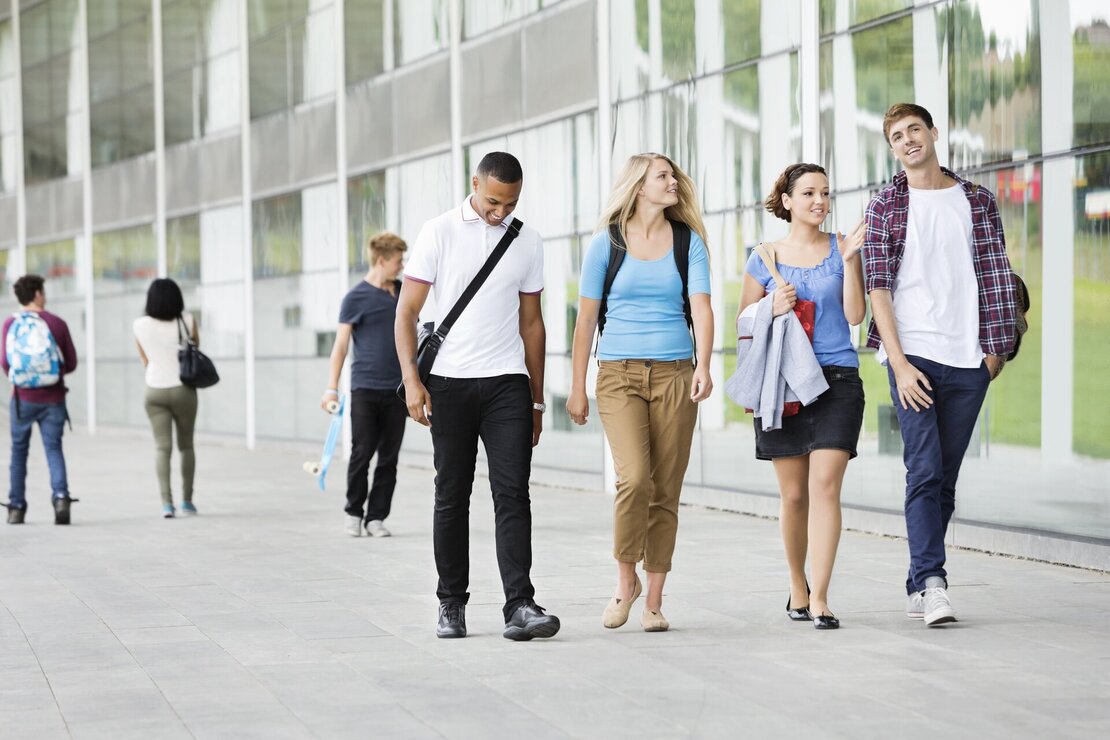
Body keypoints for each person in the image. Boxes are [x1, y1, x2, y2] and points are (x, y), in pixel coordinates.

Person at [864, 103, 1019, 626]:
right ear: (891, 148)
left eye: (914, 130)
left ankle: (916, 579)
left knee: (944, 479)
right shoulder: (886, 204)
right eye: (896, 136)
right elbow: (878, 287)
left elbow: (997, 272)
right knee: (924, 468)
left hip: (968, 357)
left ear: (933, 133)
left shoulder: (976, 200)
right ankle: (933, 583)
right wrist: (900, 364)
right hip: (914, 355)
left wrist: (994, 354)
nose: (907, 141)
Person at [395, 151, 560, 641]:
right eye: (493, 201)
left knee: (513, 493)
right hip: (448, 383)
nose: (500, 211)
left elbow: (532, 323)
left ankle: (520, 605)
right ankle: (451, 603)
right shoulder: (439, 231)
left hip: (507, 381)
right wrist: (412, 381)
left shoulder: (527, 240)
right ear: (474, 183)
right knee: (452, 496)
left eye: (510, 203)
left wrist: (535, 399)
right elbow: (406, 312)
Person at [566, 153, 714, 633]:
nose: (673, 182)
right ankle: (624, 580)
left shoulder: (687, 242)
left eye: (673, 176)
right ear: (638, 187)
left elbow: (703, 307)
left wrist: (705, 364)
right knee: (634, 480)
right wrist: (576, 388)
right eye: (663, 176)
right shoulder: (605, 244)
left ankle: (653, 601)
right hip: (618, 374)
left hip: (675, 372)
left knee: (665, 489)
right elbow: (586, 319)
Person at [737, 163, 866, 630]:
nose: (820, 201)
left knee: (824, 487)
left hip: (837, 380)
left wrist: (851, 261)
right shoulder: (764, 256)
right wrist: (771, 305)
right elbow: (745, 323)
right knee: (793, 496)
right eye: (809, 192)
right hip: (783, 382)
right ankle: (798, 584)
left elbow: (854, 316)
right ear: (787, 201)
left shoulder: (842, 248)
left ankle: (823, 597)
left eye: (825, 193)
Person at [322, 232, 408, 538]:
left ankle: (376, 517)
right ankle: (354, 512)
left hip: (398, 390)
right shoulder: (355, 297)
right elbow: (341, 346)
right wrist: (331, 386)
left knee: (389, 457)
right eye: (398, 261)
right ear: (382, 260)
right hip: (365, 389)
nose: (401, 267)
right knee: (362, 452)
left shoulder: (402, 292)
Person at [2, 275, 79, 525]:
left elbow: (5, 363)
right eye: (43, 291)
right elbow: (71, 363)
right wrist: (49, 375)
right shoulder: (56, 323)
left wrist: (25, 377)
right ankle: (60, 499)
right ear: (36, 293)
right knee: (53, 449)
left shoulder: (9, 324)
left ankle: (16, 508)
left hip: (22, 400)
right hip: (53, 398)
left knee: (19, 453)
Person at [133, 278, 199, 518]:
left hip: (154, 389)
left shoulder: (139, 325)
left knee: (162, 448)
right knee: (186, 446)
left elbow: (144, 358)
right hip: (183, 390)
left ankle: (166, 504)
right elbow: (196, 348)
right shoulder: (188, 320)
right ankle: (188, 501)